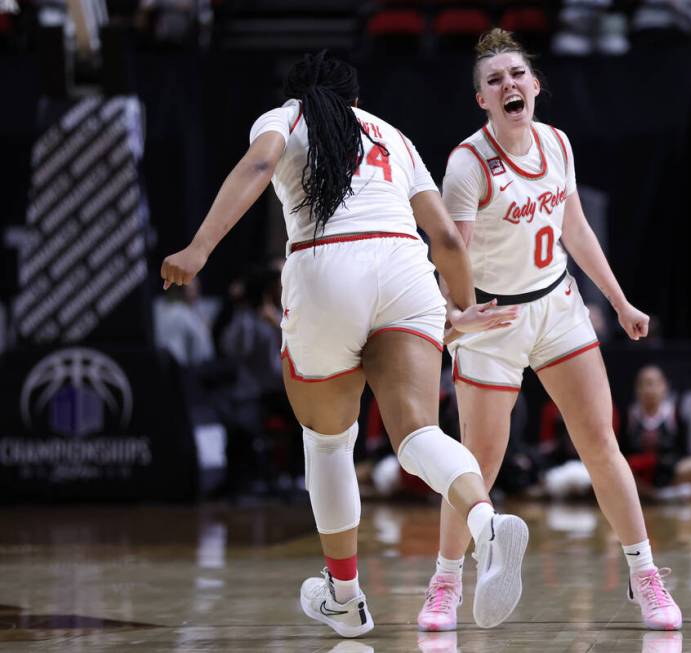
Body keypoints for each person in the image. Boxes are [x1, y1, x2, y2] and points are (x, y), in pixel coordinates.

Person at [160, 51, 527, 637]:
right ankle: (485, 523)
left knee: (328, 442)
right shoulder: (396, 138)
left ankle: (346, 596)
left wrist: (200, 248)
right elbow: (449, 243)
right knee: (419, 434)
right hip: (405, 269)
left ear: (297, 94)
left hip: (325, 267)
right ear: (355, 98)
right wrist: (457, 308)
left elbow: (258, 169)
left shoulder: (286, 117)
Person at [416, 29, 682, 633]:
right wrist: (457, 317)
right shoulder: (467, 163)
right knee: (475, 467)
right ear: (481, 100)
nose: (508, 84)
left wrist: (617, 302)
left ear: (535, 86)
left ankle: (645, 578)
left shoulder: (557, 143)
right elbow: (449, 252)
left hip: (557, 305)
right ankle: (445, 584)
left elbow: (577, 232)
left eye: (517, 75)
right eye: (494, 80)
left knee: (600, 445)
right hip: (493, 319)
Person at [622, 365, 691, 496]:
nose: (648, 390)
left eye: (653, 384)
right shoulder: (629, 416)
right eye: (643, 385)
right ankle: (653, 495)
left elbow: (685, 451)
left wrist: (664, 463)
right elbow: (621, 451)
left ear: (664, 386)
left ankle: (665, 492)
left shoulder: (674, 414)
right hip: (638, 477)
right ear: (637, 389)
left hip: (670, 472)